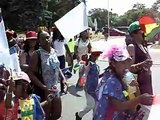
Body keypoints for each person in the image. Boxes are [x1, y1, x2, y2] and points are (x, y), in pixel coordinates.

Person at [93, 46, 153, 120]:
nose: (126, 66)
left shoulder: (125, 77)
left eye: (128, 62)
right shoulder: (112, 81)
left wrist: (136, 88)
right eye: (122, 63)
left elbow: (132, 97)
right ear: (113, 64)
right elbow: (119, 106)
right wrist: (139, 99)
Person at [28, 30, 66, 120]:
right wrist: (44, 87)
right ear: (39, 42)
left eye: (48, 37)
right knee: (45, 116)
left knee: (57, 114)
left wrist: (63, 78)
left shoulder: (53, 51)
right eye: (43, 38)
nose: (47, 40)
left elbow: (56, 67)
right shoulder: (37, 54)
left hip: (55, 88)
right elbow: (30, 73)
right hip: (44, 90)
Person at [75, 50, 102, 120]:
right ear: (92, 55)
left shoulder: (96, 65)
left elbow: (97, 76)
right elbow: (85, 70)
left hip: (95, 88)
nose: (97, 57)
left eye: (98, 55)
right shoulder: (89, 63)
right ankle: (79, 115)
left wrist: (104, 74)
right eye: (96, 55)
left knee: (96, 107)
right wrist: (81, 83)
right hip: (88, 88)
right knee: (91, 105)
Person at [127, 21, 153, 95]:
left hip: (147, 83)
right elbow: (128, 68)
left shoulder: (143, 46)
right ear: (133, 33)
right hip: (137, 85)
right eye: (141, 31)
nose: (144, 33)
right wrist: (142, 64)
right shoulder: (132, 47)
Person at [52, 28, 67, 93]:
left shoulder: (63, 39)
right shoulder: (52, 39)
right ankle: (54, 88)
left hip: (62, 57)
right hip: (55, 57)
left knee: (62, 72)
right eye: (57, 31)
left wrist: (70, 55)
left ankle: (62, 88)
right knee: (55, 73)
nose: (58, 33)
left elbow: (66, 46)